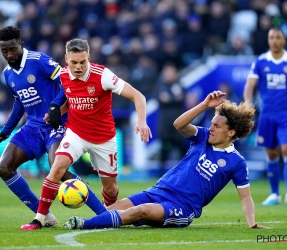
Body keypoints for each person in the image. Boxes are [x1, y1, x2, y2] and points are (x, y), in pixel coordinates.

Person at [63, 90, 268, 230]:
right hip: (158, 191)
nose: (211, 128)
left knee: (139, 211)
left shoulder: (237, 162)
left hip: (182, 206)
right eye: (212, 124)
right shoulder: (203, 137)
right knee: (116, 207)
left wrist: (251, 223)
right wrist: (204, 105)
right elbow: (179, 124)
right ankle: (90, 217)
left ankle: (81, 223)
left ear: (231, 132)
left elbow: (245, 197)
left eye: (217, 126)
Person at [21, 38, 152, 230]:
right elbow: (72, 100)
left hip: (104, 138)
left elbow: (138, 96)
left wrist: (141, 121)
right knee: (57, 168)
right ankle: (40, 218)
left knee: (111, 188)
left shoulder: (102, 75)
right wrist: (57, 112)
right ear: (66, 59)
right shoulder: (64, 75)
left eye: (83, 62)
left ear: (88, 57)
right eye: (74, 62)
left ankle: (109, 213)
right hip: (76, 133)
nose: (79, 67)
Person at [0, 26, 107, 227]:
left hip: (57, 123)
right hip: (33, 128)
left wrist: (56, 105)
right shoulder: (8, 74)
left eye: (13, 49)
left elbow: (69, 81)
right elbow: (19, 102)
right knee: (3, 167)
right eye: (4, 51)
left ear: (21, 45)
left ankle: (105, 214)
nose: (9, 54)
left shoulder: (39, 60)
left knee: (58, 168)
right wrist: (6, 131)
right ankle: (45, 216)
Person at [243, 27, 287, 206]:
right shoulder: (260, 62)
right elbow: (250, 85)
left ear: (284, 40)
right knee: (272, 152)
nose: (274, 40)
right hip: (267, 115)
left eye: (278, 37)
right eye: (271, 37)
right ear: (268, 40)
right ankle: (274, 194)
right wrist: (248, 103)